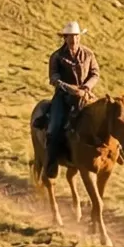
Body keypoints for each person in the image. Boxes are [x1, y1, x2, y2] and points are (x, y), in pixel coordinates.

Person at [45, 20, 99, 174]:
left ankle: (116, 152)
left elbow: (95, 73)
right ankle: (51, 163)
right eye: (70, 36)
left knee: (104, 117)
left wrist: (87, 86)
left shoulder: (88, 54)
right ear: (65, 38)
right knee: (54, 127)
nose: (73, 39)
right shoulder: (56, 56)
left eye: (76, 36)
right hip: (63, 97)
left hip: (85, 95)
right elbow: (53, 77)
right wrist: (66, 87)